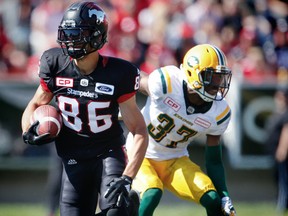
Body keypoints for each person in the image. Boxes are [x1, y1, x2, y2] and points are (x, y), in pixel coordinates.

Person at [21, 2, 148, 216]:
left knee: (115, 211)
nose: (70, 40)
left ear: (97, 36)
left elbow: (139, 130)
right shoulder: (55, 63)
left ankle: (126, 208)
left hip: (108, 152)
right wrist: (27, 131)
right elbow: (35, 104)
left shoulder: (119, 73)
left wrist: (128, 177)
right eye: (68, 33)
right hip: (73, 155)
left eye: (77, 34)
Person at [126, 44, 236, 216]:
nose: (217, 84)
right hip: (141, 153)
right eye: (211, 77)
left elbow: (214, 160)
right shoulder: (167, 83)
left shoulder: (219, 112)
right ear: (193, 73)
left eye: (219, 78)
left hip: (175, 159)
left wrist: (224, 196)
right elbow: (134, 80)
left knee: (212, 199)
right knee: (152, 193)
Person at [265, 88, 288, 214]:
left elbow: (286, 132)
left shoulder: (286, 114)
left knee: (283, 180)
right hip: (274, 153)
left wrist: (282, 149)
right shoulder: (278, 113)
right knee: (278, 178)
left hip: (282, 155)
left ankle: (282, 204)